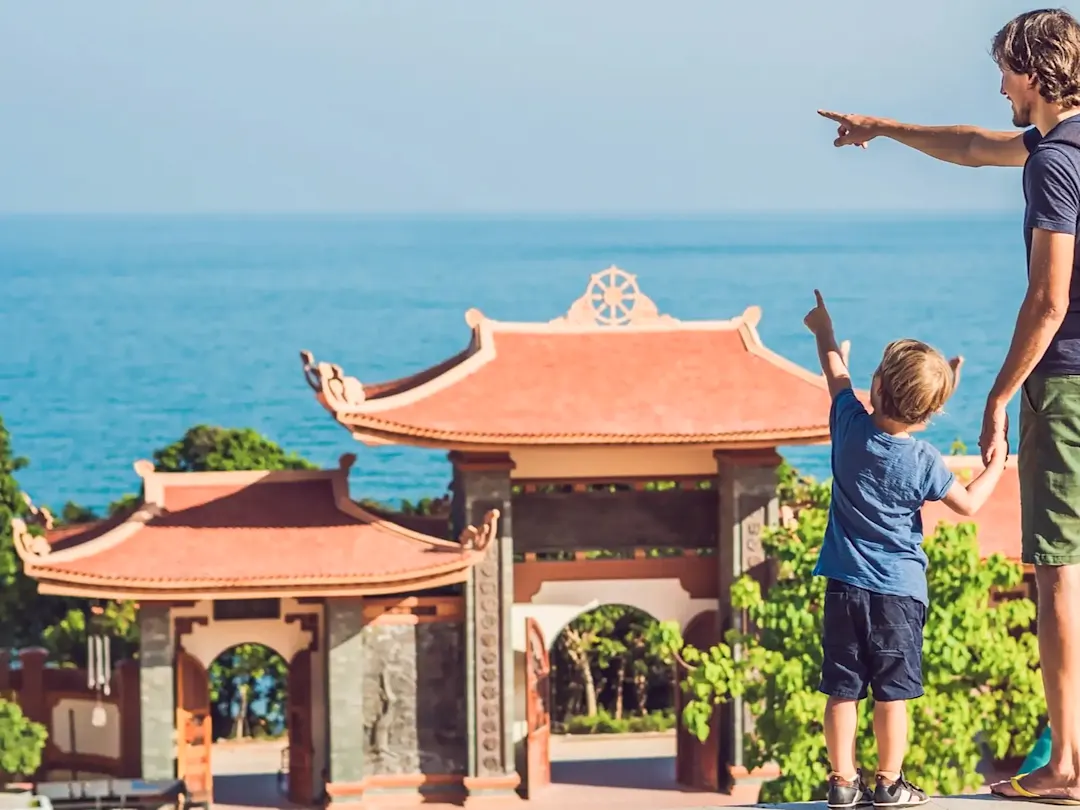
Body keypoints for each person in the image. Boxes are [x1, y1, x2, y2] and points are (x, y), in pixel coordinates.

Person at [819, 8, 1080, 803]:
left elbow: (1047, 298)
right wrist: (886, 128)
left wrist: (1001, 394)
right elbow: (972, 147)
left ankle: (1068, 765)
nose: (999, 85)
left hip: (1067, 381)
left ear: (1034, 74)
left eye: (1005, 71)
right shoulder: (1054, 145)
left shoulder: (1055, 163)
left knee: (1059, 572)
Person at [804, 290, 1006, 808]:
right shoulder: (925, 459)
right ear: (932, 412)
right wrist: (997, 465)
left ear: (876, 388)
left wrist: (823, 328)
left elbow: (835, 371)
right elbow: (968, 506)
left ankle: (841, 781)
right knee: (893, 695)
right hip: (898, 597)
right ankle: (889, 782)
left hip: (845, 589)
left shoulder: (848, 426)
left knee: (842, 690)